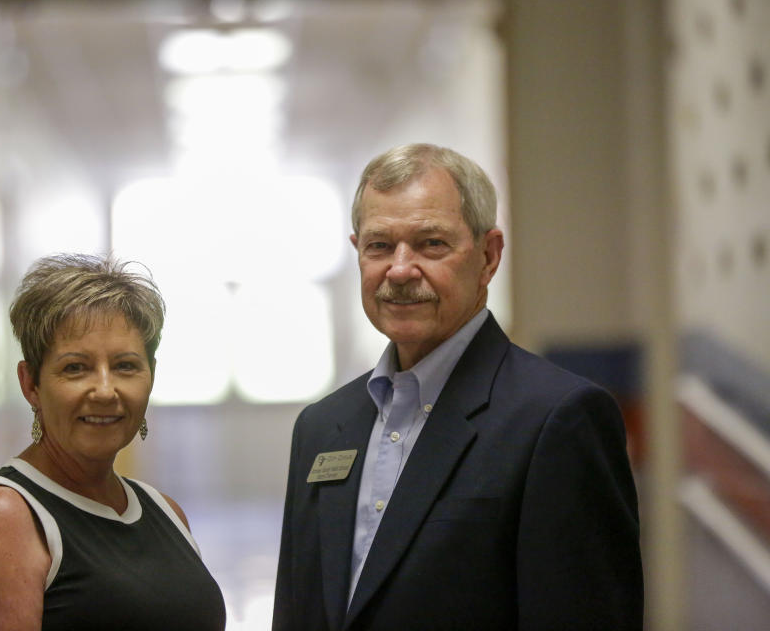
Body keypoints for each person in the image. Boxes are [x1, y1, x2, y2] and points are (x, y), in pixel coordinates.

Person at [273, 143, 643, 630]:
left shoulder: (558, 418)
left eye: (431, 244)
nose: (400, 270)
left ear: (488, 257)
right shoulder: (322, 428)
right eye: (379, 245)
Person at [0, 254, 226, 631]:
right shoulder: (1, 517)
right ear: (31, 385)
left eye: (125, 366)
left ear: (150, 377)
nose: (105, 391)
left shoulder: (166, 511)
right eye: (75, 367)